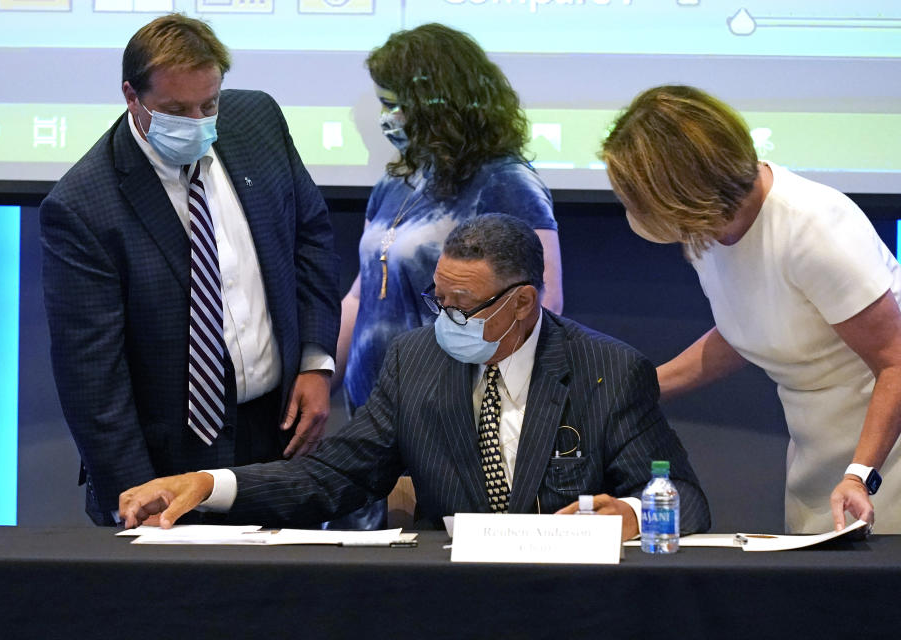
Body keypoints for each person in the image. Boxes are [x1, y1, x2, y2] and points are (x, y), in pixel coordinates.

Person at [119, 214, 711, 540]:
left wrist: (634, 514)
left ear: (524, 303)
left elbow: (684, 498)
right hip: (445, 603)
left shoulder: (608, 371)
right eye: (439, 301)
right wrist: (211, 483)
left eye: (465, 308)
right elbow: (332, 476)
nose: (446, 322)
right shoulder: (415, 361)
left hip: (572, 605)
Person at [40, 14, 341, 526]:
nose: (199, 122)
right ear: (131, 96)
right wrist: (134, 496)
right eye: (177, 110)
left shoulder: (257, 120)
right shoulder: (83, 207)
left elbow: (309, 236)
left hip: (275, 435)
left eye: (209, 104)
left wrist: (315, 360)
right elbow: (92, 378)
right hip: (166, 460)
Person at [600, 84, 901, 533]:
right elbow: (748, 329)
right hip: (816, 449)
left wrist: (860, 474)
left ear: (685, 190)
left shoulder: (812, 228)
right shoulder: (708, 229)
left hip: (884, 453)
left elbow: (895, 363)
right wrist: (639, 391)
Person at [330, 24, 563, 529]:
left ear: (441, 101)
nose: (387, 118)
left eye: (397, 103)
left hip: (451, 417)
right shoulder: (398, 181)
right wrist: (318, 373)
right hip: (373, 415)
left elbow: (543, 308)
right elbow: (362, 294)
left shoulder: (506, 182)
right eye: (382, 103)